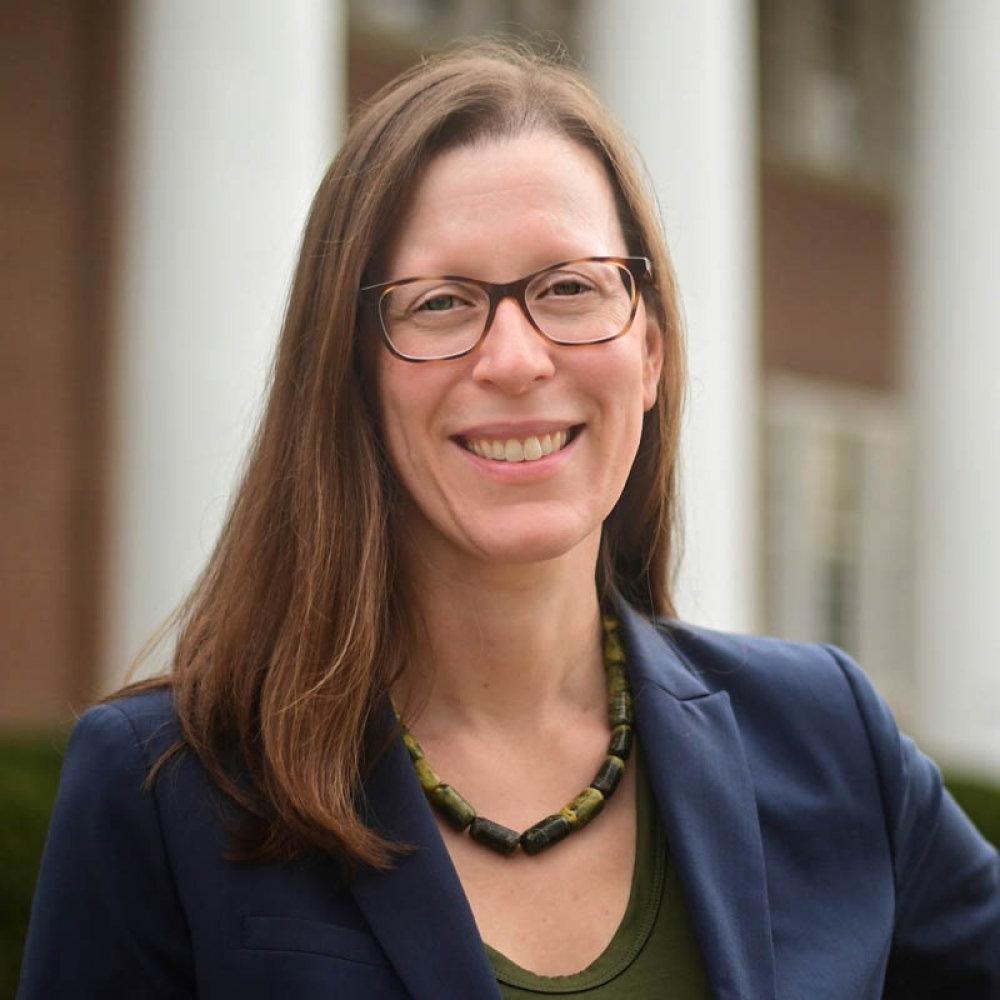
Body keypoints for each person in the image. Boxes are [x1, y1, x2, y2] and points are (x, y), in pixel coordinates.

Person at [18, 42, 999, 1000]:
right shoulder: (166, 789)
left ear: (648, 350)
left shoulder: (827, 735)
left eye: (569, 288)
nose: (516, 357)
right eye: (441, 303)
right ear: (352, 373)